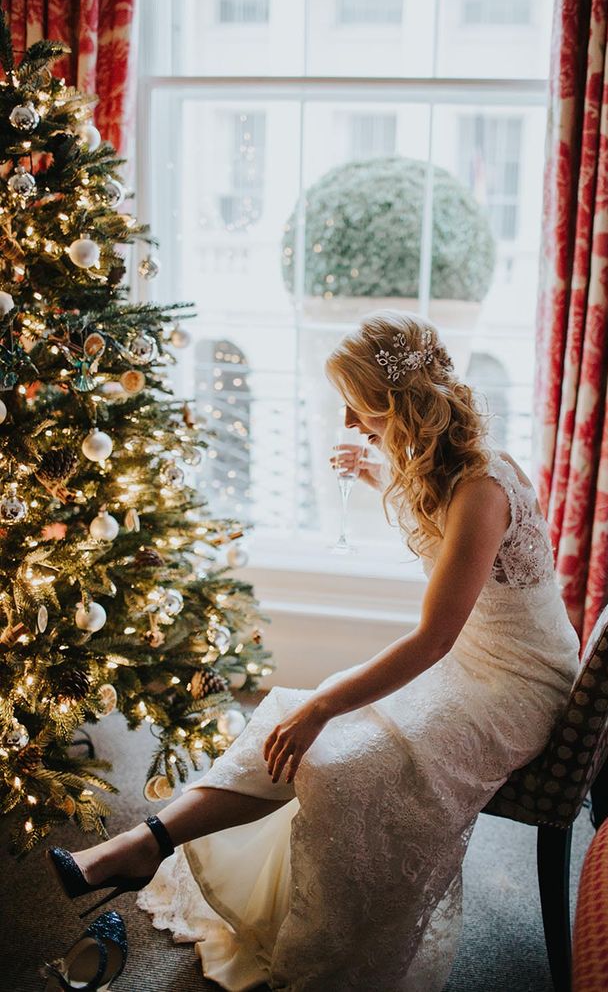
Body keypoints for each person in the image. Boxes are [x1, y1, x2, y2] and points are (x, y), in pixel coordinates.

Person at [47, 310, 580, 991]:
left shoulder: (481, 488)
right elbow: (444, 542)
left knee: (341, 762)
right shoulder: (448, 470)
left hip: (517, 685)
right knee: (287, 719)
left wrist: (327, 707)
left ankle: (337, 952)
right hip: (473, 660)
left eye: (363, 412)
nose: (354, 427)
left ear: (405, 406)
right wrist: (381, 478)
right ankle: (141, 845)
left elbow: (433, 638)